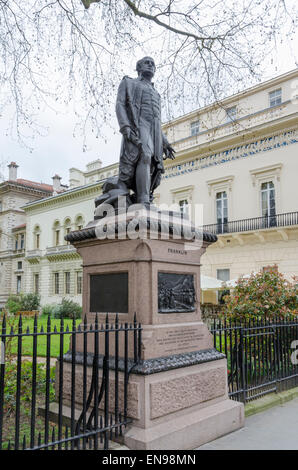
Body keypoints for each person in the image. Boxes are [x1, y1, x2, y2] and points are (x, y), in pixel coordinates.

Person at [116, 56, 175, 205]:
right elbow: (120, 105)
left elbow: (157, 119)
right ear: (138, 68)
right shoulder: (129, 83)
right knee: (145, 154)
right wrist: (125, 127)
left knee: (154, 165)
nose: (150, 65)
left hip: (153, 130)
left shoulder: (156, 94)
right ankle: (143, 200)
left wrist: (165, 141)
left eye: (153, 64)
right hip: (139, 124)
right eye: (146, 63)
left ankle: (144, 195)